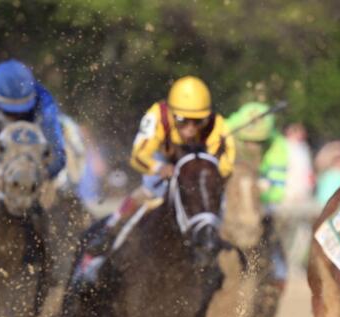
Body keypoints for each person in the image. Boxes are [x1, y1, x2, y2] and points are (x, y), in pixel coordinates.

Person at [74, 76, 236, 282]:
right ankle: (107, 235)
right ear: (171, 113)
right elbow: (138, 156)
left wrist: (190, 171)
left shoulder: (218, 126)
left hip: (195, 178)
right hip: (162, 167)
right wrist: (159, 167)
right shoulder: (157, 115)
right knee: (147, 193)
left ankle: (217, 261)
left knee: (214, 206)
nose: (190, 129)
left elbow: (224, 167)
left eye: (198, 122)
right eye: (182, 121)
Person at [0, 59, 66, 211]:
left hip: (25, 157)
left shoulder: (44, 102)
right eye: (9, 112)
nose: (16, 117)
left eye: (22, 112)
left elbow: (58, 156)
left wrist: (38, 172)